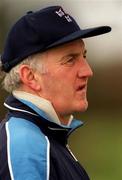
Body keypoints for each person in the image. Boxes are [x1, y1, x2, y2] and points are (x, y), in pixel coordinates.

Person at [0, 5, 111, 180]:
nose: (87, 71)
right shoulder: (26, 147)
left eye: (84, 56)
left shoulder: (44, 135)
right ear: (31, 76)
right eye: (70, 60)